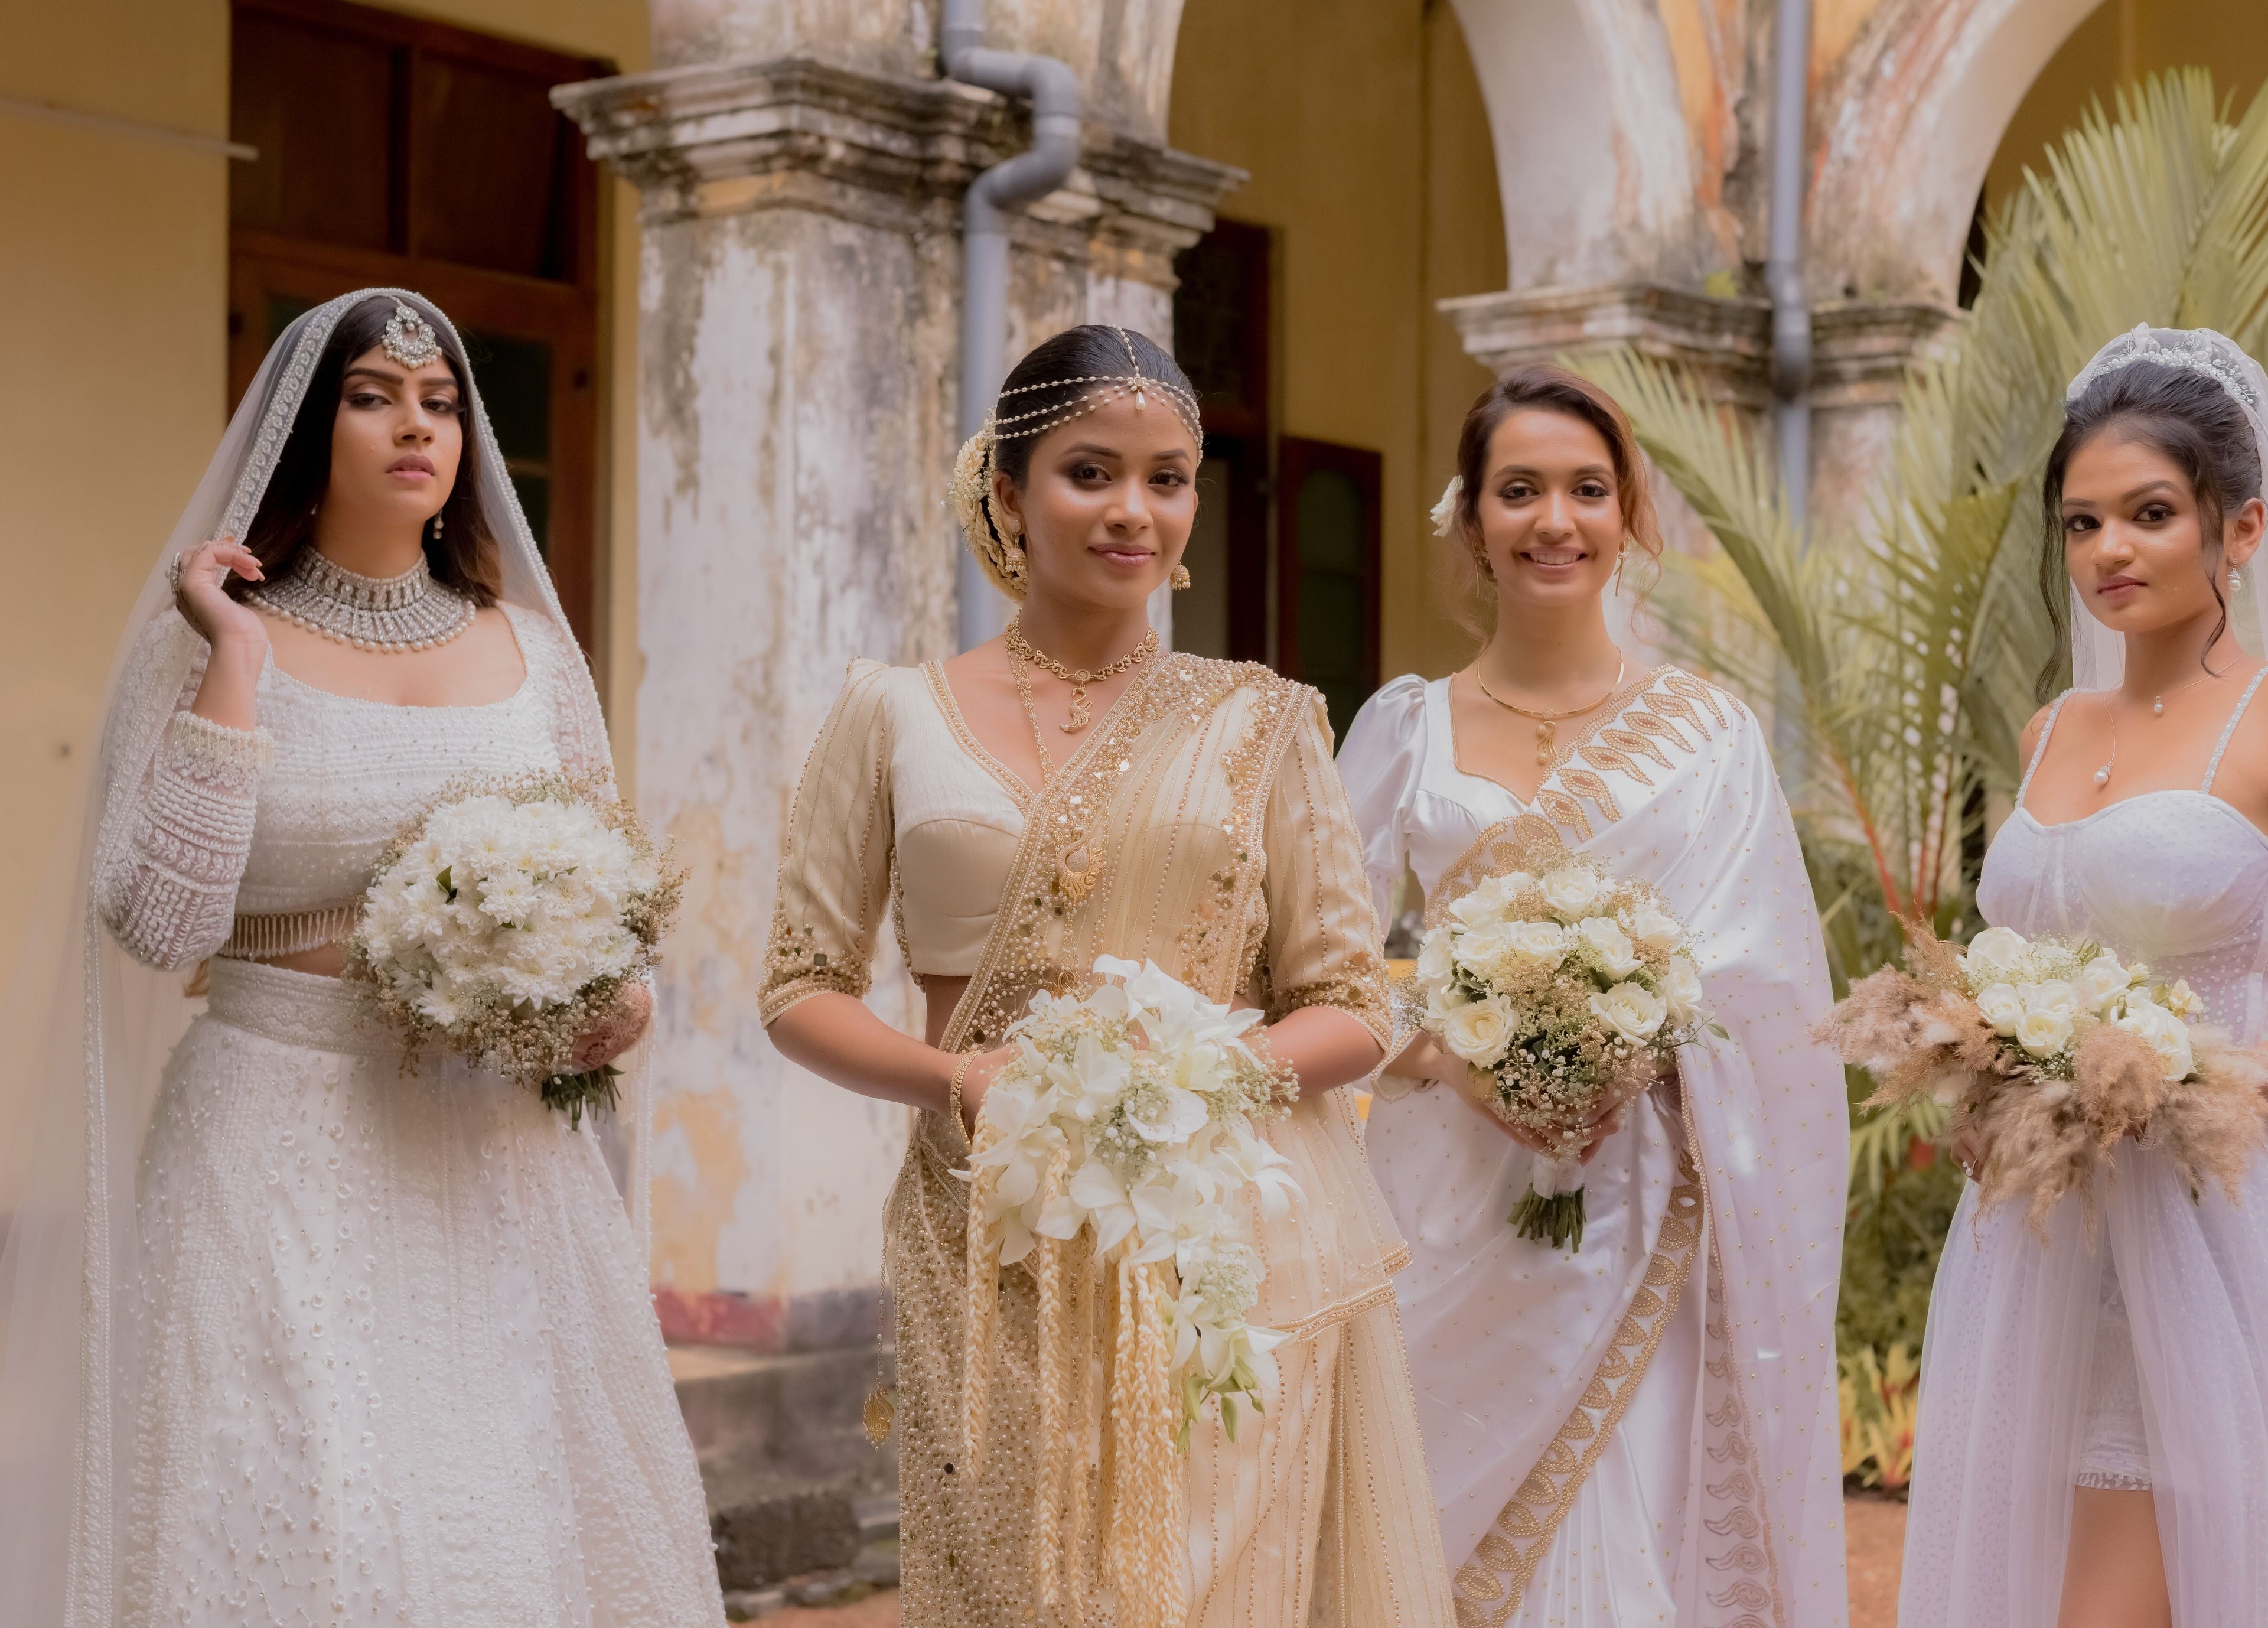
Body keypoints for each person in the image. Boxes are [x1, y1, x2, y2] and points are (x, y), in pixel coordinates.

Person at [0, 290, 725, 1627]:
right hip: (270, 1132)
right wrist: (233, 656)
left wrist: (610, 1003)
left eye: (441, 400)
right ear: (306, 428)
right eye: (373, 395)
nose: (416, 425)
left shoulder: (533, 653)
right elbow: (162, 922)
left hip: (492, 1157)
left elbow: (614, 917)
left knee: (496, 1517)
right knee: (302, 1508)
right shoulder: (203, 641)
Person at [761, 324, 1455, 1626]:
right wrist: (956, 1077)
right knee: (1024, 1586)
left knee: (1200, 1585)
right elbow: (799, 982)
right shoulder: (892, 709)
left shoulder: (1264, 718)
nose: (1135, 510)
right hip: (989, 1227)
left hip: (1226, 1237)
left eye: (1168, 476)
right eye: (1091, 472)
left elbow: (1355, 999)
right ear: (1008, 492)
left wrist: (1202, 1078)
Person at [1338, 363, 1850, 1627]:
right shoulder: (1407, 730)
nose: (1553, 520)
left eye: (1585, 490)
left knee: (1623, 1530)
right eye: (1520, 490)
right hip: (1439, 1193)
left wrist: (1623, 1056)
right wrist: (1451, 1056)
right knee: (1421, 1523)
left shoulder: (1708, 734)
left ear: (1630, 517)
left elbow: (1769, 987)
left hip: (1641, 1207)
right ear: (1472, 516)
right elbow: (1316, 969)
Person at [1900, 327, 2268, 1628]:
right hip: (2039, 1236)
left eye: (2151, 513)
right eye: (2083, 521)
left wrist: (2189, 1074)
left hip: (2218, 1222)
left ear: (2241, 526)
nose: (2110, 549)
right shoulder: (2051, 728)